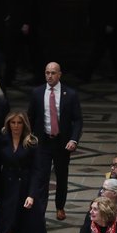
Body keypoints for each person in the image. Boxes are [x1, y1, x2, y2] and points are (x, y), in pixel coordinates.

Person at [0, 112, 48, 233]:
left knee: (22, 231)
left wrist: (32, 195)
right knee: (6, 231)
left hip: (24, 189)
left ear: (24, 124)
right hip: (7, 190)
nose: (16, 126)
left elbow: (36, 171)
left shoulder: (32, 143)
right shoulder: (1, 141)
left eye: (19, 123)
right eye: (13, 123)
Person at [27, 62, 82, 220]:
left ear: (59, 75)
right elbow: (30, 116)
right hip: (42, 140)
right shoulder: (37, 93)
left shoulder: (70, 94)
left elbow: (77, 120)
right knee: (41, 176)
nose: (49, 76)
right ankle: (41, 209)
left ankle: (60, 206)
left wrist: (73, 139)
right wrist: (28, 136)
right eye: (47, 73)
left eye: (53, 73)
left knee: (61, 175)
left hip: (62, 141)